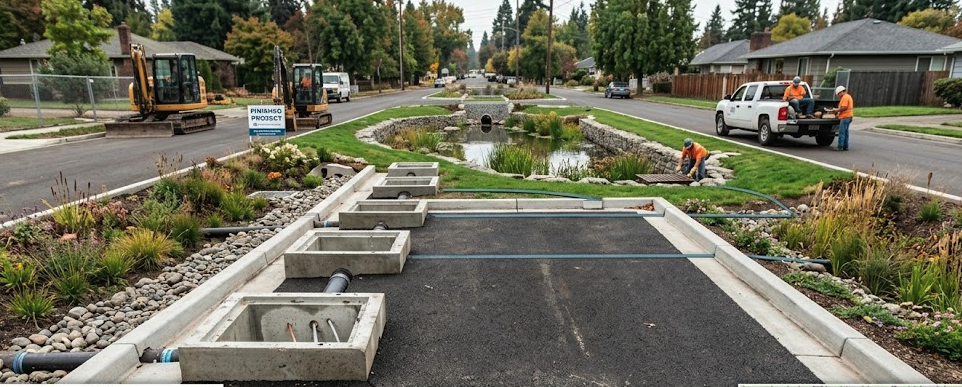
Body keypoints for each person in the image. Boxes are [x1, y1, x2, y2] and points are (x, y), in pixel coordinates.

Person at [828, 86, 854, 151]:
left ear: (841, 92)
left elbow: (844, 107)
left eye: (839, 94)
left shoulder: (844, 97)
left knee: (842, 132)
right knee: (846, 132)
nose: (838, 96)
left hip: (845, 117)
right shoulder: (848, 96)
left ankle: (840, 146)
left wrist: (836, 110)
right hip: (849, 116)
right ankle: (845, 146)